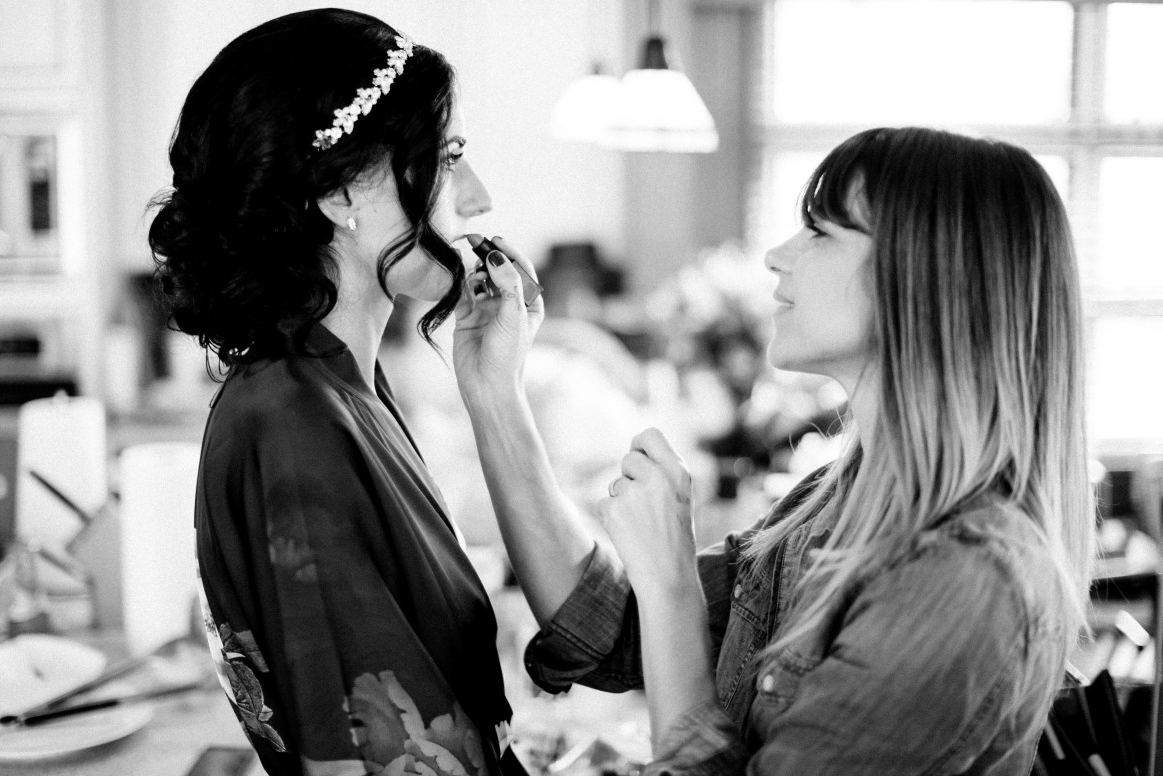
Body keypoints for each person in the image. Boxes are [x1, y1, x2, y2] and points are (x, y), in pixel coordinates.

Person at [456, 127, 1094, 773]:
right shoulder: (830, 504)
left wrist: (672, 583)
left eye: (820, 232)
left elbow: (660, 616)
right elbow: (611, 627)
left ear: (923, 280)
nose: (776, 256)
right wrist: (494, 389)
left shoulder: (962, 577)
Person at [148, 8, 535, 776]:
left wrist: (497, 389)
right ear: (339, 192)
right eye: (449, 157)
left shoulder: (341, 384)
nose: (479, 197)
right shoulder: (295, 427)